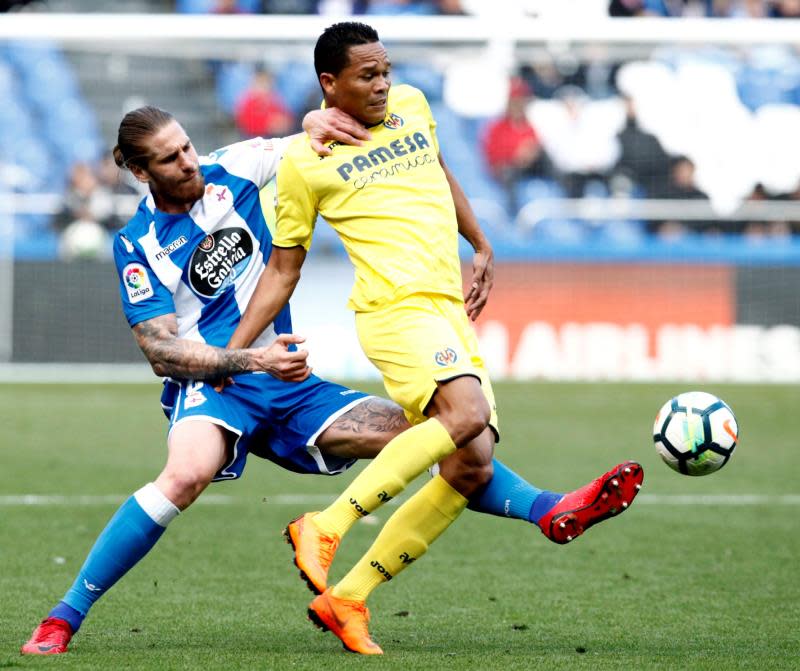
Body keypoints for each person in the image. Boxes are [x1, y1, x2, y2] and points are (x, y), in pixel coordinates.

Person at [19, 104, 620, 657]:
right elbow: (161, 350)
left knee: (449, 437)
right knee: (184, 474)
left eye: (188, 146)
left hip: (292, 384)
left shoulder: (233, 168)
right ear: (141, 173)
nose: (189, 161)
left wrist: (315, 116)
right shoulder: (138, 245)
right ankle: (63, 617)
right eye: (171, 158)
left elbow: (305, 139)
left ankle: (547, 508)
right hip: (217, 387)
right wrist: (252, 361)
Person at [227, 21, 644, 655]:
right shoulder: (301, 162)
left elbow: (442, 172)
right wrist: (235, 352)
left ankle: (349, 598)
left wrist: (479, 243)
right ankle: (326, 523)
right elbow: (285, 268)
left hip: (447, 308)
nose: (382, 84)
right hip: (394, 312)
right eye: (367, 75)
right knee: (467, 414)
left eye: (385, 70)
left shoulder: (414, 105)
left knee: (471, 466)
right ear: (328, 83)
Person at [481, 76, 554, 213]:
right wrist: (516, 156)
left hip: (528, 167)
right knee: (508, 174)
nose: (519, 106)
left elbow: (536, 145)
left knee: (546, 157)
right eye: (515, 102)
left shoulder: (528, 126)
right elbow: (493, 155)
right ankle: (513, 213)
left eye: (521, 102)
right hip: (508, 168)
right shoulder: (497, 127)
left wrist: (530, 153)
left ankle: (557, 197)